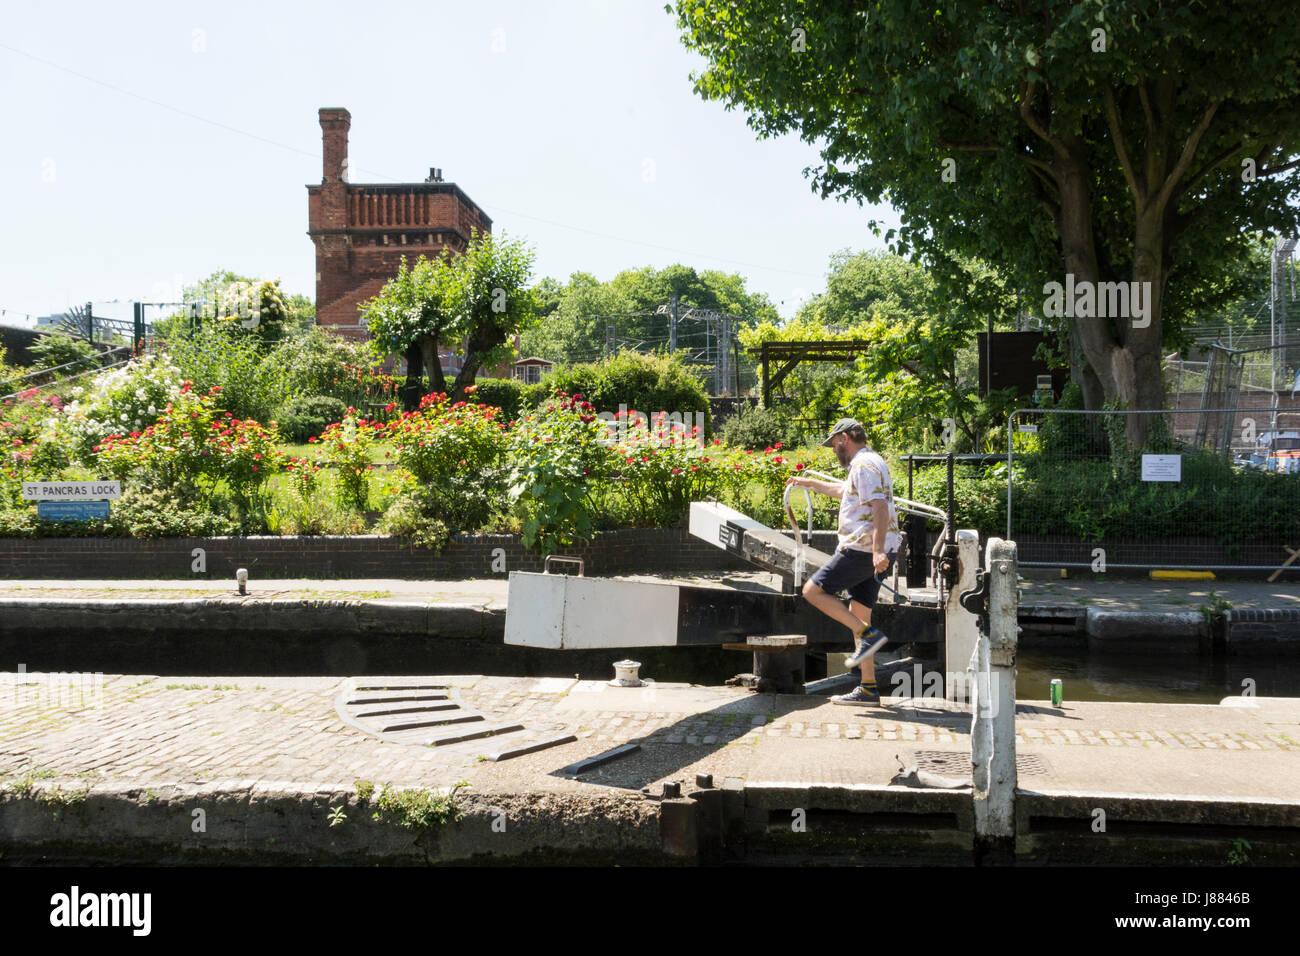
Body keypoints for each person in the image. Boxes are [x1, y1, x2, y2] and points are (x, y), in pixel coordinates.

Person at [785, 418, 902, 706]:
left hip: (862, 549)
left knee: (812, 591)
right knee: (858, 614)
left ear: (845, 438)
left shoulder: (863, 466)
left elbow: (880, 507)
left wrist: (876, 552)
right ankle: (869, 688)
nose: (833, 449)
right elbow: (843, 491)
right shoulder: (867, 464)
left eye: (834, 443)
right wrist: (809, 483)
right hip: (872, 549)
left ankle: (869, 635)